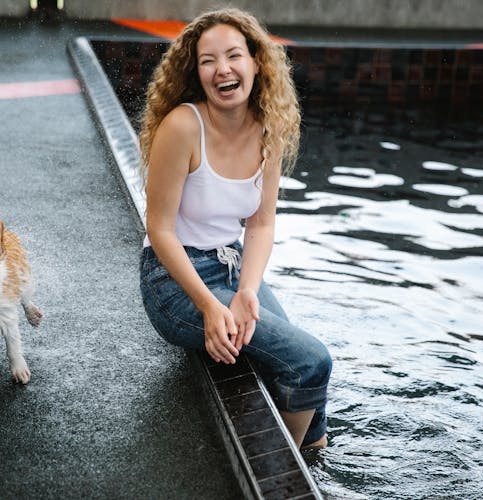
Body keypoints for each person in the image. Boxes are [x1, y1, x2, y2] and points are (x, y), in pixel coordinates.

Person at [138, 8, 331, 449]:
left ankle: (311, 450)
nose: (222, 69)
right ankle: (283, 470)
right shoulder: (183, 126)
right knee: (311, 361)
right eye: (208, 60)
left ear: (256, 62)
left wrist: (247, 289)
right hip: (173, 281)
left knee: (307, 394)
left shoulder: (270, 128)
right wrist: (209, 307)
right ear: (197, 72)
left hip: (231, 265)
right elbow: (160, 229)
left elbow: (261, 223)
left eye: (233, 56)